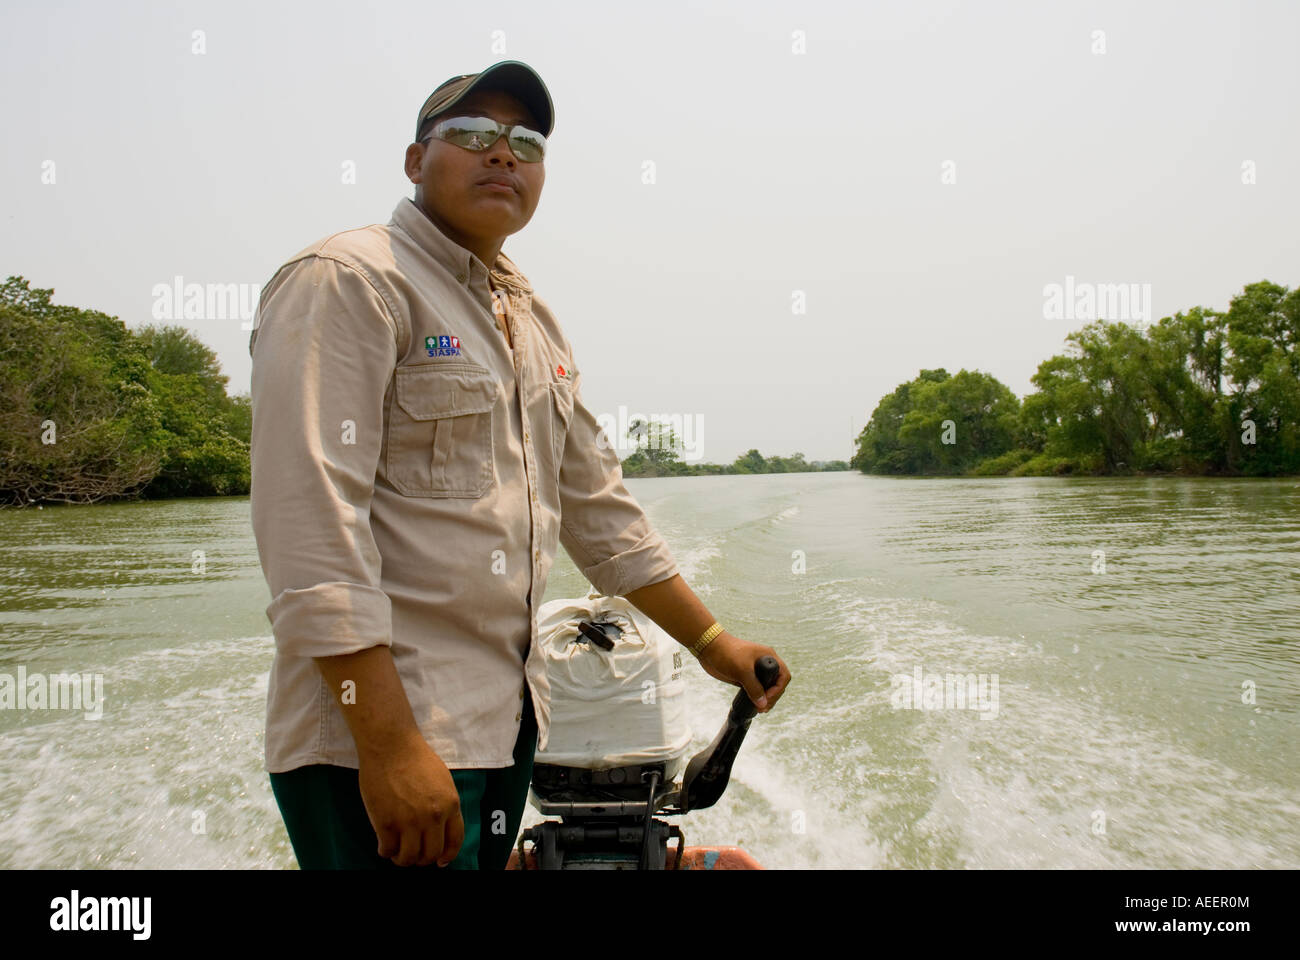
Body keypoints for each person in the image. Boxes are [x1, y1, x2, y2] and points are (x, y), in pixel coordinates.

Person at [248, 60, 791, 871]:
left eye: (525, 142)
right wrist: (392, 745)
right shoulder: (349, 280)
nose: (502, 154)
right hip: (376, 746)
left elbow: (599, 512)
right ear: (414, 160)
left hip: (505, 731)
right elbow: (309, 526)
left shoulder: (531, 320)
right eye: (471, 135)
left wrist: (713, 643)